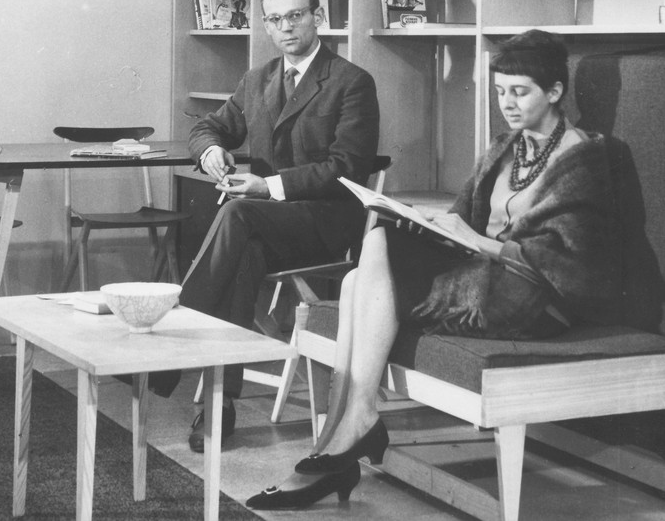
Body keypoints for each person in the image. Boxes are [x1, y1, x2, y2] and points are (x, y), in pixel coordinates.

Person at [245, 29, 623, 510]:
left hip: (532, 298)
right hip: (483, 276)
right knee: (357, 273)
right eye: (500, 90)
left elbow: (575, 264)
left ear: (554, 92)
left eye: (520, 91)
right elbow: (463, 217)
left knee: (375, 247)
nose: (507, 103)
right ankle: (343, 435)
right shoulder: (507, 147)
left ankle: (351, 429)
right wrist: (436, 225)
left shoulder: (581, 157)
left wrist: (478, 242)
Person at [149, 0, 380, 453]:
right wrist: (211, 149)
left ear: (318, 17)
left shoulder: (351, 82)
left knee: (238, 215)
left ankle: (171, 347)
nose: (285, 28)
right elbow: (209, 126)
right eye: (274, 20)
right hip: (268, 224)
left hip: (327, 223)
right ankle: (219, 404)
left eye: (295, 16)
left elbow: (347, 167)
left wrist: (267, 186)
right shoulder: (257, 80)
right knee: (244, 249)